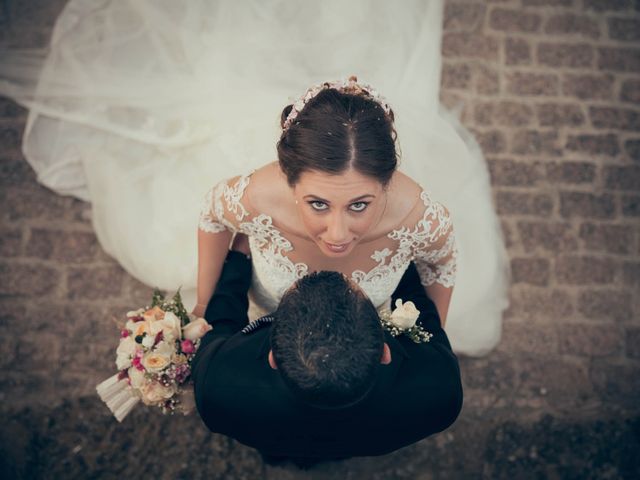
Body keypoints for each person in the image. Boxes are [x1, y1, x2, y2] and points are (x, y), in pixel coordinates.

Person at [0, 0, 509, 355]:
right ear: (288, 181)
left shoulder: (421, 218)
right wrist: (204, 302)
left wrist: (431, 339)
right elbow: (210, 216)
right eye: (317, 204)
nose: (337, 235)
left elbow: (442, 266)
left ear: (388, 182)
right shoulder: (254, 196)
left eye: (359, 204)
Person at [191, 235, 463, 464]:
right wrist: (398, 260)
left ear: (273, 358)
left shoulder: (215, 388)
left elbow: (222, 323)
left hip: (271, 433)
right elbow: (426, 317)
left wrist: (239, 255)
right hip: (370, 437)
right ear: (385, 352)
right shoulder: (440, 393)